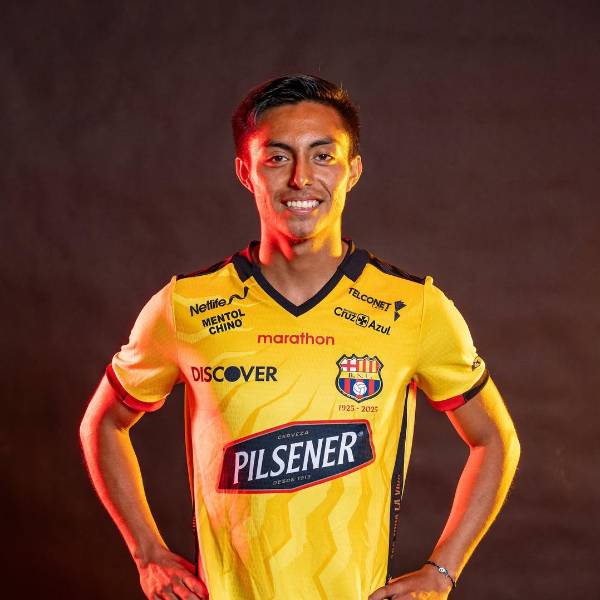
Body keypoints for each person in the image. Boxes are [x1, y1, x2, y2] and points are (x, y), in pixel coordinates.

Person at [80, 74, 520, 600]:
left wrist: (442, 571)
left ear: (353, 170)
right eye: (277, 157)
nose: (301, 178)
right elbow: (103, 422)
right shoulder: (186, 306)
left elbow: (495, 439)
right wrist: (147, 552)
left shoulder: (415, 309)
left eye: (323, 155)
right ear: (246, 173)